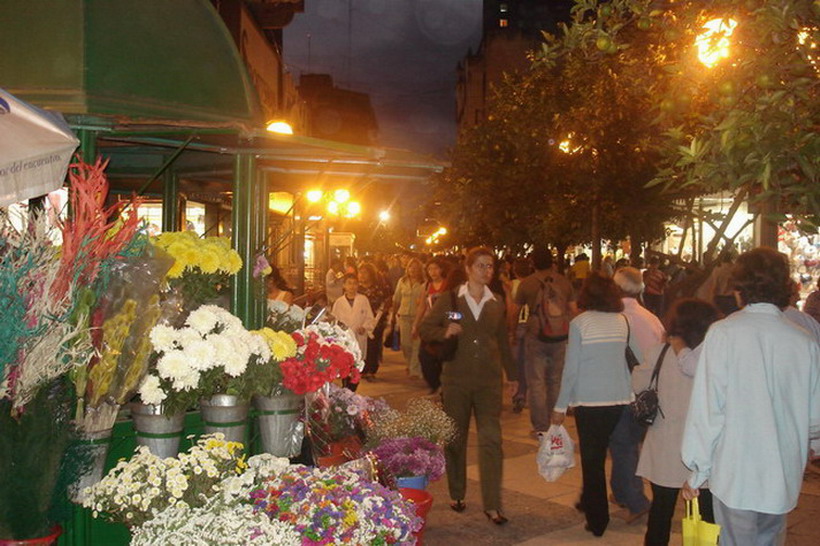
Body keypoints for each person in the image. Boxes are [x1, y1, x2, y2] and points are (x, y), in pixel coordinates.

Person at [681, 247, 820, 546]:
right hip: (782, 471)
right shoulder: (804, 341)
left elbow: (708, 410)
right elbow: (815, 416)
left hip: (735, 469)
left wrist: (697, 469)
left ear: (739, 287)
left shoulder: (724, 333)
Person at [419, 247, 517, 525]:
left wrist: (513, 375)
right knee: (455, 438)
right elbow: (425, 328)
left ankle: (493, 504)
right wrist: (444, 331)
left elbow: (503, 342)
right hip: (456, 380)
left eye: (491, 267)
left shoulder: (496, 302)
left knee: (491, 439)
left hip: (488, 382)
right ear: (469, 268)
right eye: (482, 266)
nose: (487, 271)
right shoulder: (450, 300)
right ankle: (457, 492)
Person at [551, 273, 643, 538]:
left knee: (593, 462)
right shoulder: (623, 321)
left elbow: (571, 369)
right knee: (617, 453)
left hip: (589, 402)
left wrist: (560, 406)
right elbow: (637, 358)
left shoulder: (580, 323)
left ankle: (597, 519)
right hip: (620, 399)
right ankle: (598, 508)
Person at [634, 298, 719, 546]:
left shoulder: (658, 353)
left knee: (661, 511)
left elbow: (638, 386)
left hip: (665, 445)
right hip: (704, 448)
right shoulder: (713, 356)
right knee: (707, 513)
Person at [608, 267, 664, 523]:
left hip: (626, 389)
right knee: (625, 443)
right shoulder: (650, 317)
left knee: (623, 445)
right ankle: (621, 491)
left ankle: (635, 499)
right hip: (649, 392)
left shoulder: (618, 318)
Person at [512, 248, 576, 434]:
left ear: (533, 263)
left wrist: (513, 331)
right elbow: (573, 309)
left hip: (536, 335)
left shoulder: (527, 284)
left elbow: (515, 311)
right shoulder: (564, 282)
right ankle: (556, 423)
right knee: (556, 380)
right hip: (560, 335)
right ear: (552, 262)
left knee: (537, 381)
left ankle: (540, 427)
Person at [331, 273, 375, 391]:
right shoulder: (339, 302)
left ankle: (352, 389)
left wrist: (364, 327)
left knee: (356, 365)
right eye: (349, 283)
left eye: (355, 283)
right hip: (344, 339)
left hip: (358, 337)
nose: (352, 286)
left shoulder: (363, 300)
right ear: (344, 285)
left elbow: (369, 317)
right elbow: (334, 321)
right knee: (345, 366)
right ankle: (346, 388)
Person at [413, 257, 451, 393]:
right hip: (430, 326)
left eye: (435, 268)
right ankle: (434, 383)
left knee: (442, 356)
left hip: (445, 326)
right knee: (424, 356)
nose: (433, 272)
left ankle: (443, 385)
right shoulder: (427, 286)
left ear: (441, 269)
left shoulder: (448, 285)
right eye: (430, 269)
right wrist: (416, 324)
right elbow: (422, 307)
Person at [358, 263, 392, 381]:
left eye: (364, 272)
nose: (362, 275)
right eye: (360, 272)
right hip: (361, 321)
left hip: (376, 321)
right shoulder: (358, 288)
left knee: (373, 345)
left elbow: (387, 301)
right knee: (362, 344)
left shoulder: (380, 288)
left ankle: (371, 370)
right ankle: (362, 368)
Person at [392, 257, 425, 378]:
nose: (413, 270)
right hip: (404, 316)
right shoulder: (402, 281)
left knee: (417, 343)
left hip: (418, 317)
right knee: (405, 344)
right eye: (411, 267)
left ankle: (414, 369)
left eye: (416, 268)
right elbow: (396, 298)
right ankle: (410, 363)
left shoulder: (423, 283)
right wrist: (393, 314)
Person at [508, 258, 534, 413]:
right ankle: (530, 395)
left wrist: (511, 330)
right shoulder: (535, 284)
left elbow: (512, 308)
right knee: (531, 362)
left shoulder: (514, 285)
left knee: (518, 362)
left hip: (520, 325)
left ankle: (519, 395)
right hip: (533, 326)